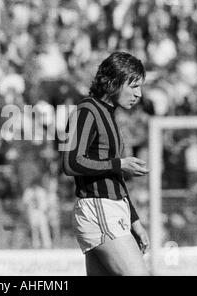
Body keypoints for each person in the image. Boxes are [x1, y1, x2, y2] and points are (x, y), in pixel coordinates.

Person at [62, 51, 150, 276]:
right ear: (113, 82)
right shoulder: (86, 111)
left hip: (112, 209)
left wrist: (135, 221)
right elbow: (71, 162)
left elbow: (114, 176)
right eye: (134, 86)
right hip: (99, 207)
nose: (139, 94)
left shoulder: (109, 115)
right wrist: (120, 164)